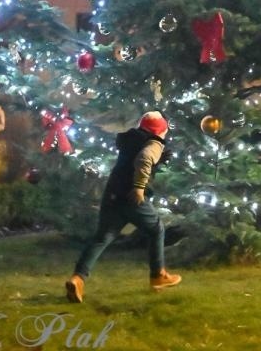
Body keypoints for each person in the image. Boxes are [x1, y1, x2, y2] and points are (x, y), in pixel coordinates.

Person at [65, 110, 181, 301]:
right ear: (160, 130)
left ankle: (77, 279)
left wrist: (156, 163)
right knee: (157, 229)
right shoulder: (154, 143)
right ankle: (158, 275)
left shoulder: (131, 140)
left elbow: (133, 160)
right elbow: (143, 159)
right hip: (131, 197)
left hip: (112, 194)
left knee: (102, 237)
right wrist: (139, 188)